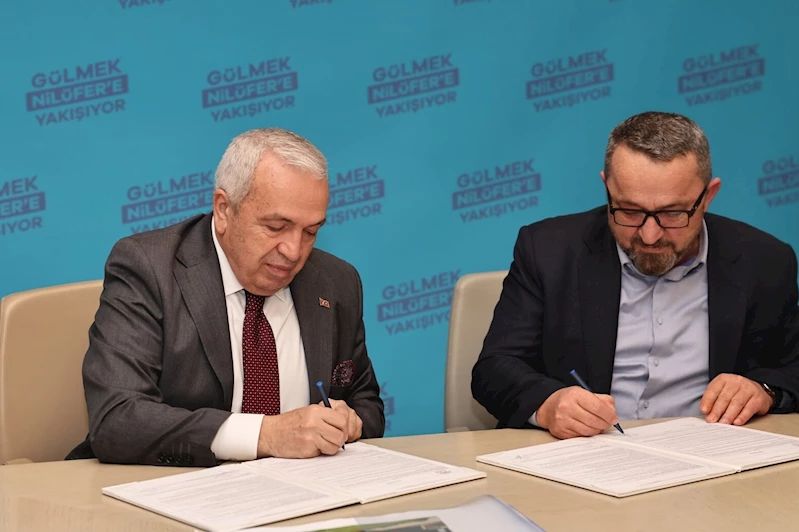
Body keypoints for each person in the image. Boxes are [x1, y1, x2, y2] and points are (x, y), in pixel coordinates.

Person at [471, 111, 799, 440]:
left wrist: (764, 390)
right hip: (587, 451)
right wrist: (548, 404)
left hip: (713, 451)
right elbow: (495, 368)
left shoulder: (765, 261)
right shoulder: (548, 251)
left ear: (708, 196)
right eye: (629, 210)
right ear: (607, 188)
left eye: (673, 213)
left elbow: (793, 367)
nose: (650, 235)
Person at [69, 128, 384, 466]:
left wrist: (349, 422)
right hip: (175, 485)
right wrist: (266, 435)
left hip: (300, 490)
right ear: (223, 210)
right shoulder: (149, 269)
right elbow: (117, 419)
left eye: (310, 231)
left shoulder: (336, 282)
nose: (294, 251)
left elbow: (366, 403)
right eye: (276, 227)